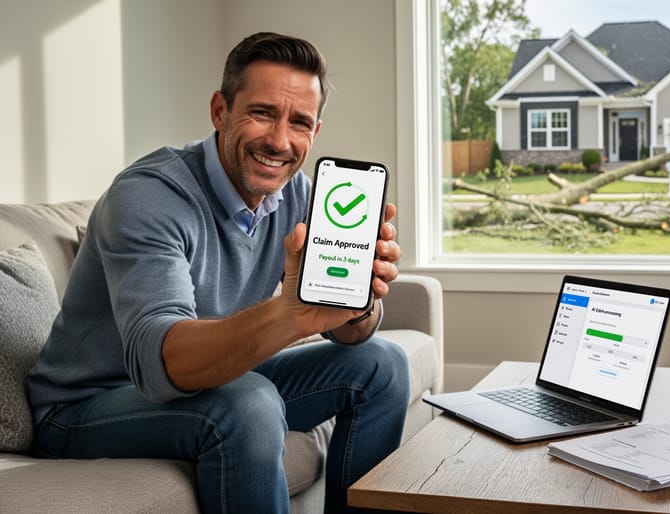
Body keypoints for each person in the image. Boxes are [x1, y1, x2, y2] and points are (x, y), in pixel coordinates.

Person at [26, 32, 409, 514]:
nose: (279, 141)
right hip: (85, 406)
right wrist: (289, 314)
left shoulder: (299, 195)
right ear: (220, 111)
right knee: (247, 403)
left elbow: (351, 335)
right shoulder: (148, 196)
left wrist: (360, 300)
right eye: (262, 113)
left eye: (299, 122)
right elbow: (160, 365)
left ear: (315, 132)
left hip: (210, 383)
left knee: (382, 365)